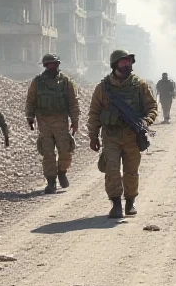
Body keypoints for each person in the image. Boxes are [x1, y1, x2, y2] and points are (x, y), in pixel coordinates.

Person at [88, 49, 158, 218]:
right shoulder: (103, 88)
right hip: (110, 136)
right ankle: (116, 204)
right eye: (123, 62)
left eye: (129, 62)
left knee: (131, 171)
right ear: (114, 65)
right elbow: (94, 113)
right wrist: (93, 136)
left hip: (132, 136)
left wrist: (146, 121)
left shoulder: (139, 85)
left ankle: (130, 202)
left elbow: (152, 107)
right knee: (111, 170)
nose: (127, 65)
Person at [25, 53, 80, 195]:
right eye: (49, 64)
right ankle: (51, 181)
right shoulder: (37, 82)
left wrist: (75, 121)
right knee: (48, 153)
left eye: (54, 64)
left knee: (65, 151)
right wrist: (30, 117)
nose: (51, 67)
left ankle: (62, 172)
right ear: (45, 66)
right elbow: (31, 100)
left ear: (58, 64)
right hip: (44, 123)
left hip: (61, 122)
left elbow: (73, 103)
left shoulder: (66, 82)